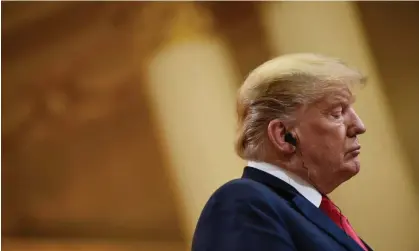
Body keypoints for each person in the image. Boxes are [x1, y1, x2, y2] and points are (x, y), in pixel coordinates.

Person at [191, 53, 372, 251]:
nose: (359, 126)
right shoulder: (243, 204)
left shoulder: (313, 213)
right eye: (336, 113)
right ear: (283, 135)